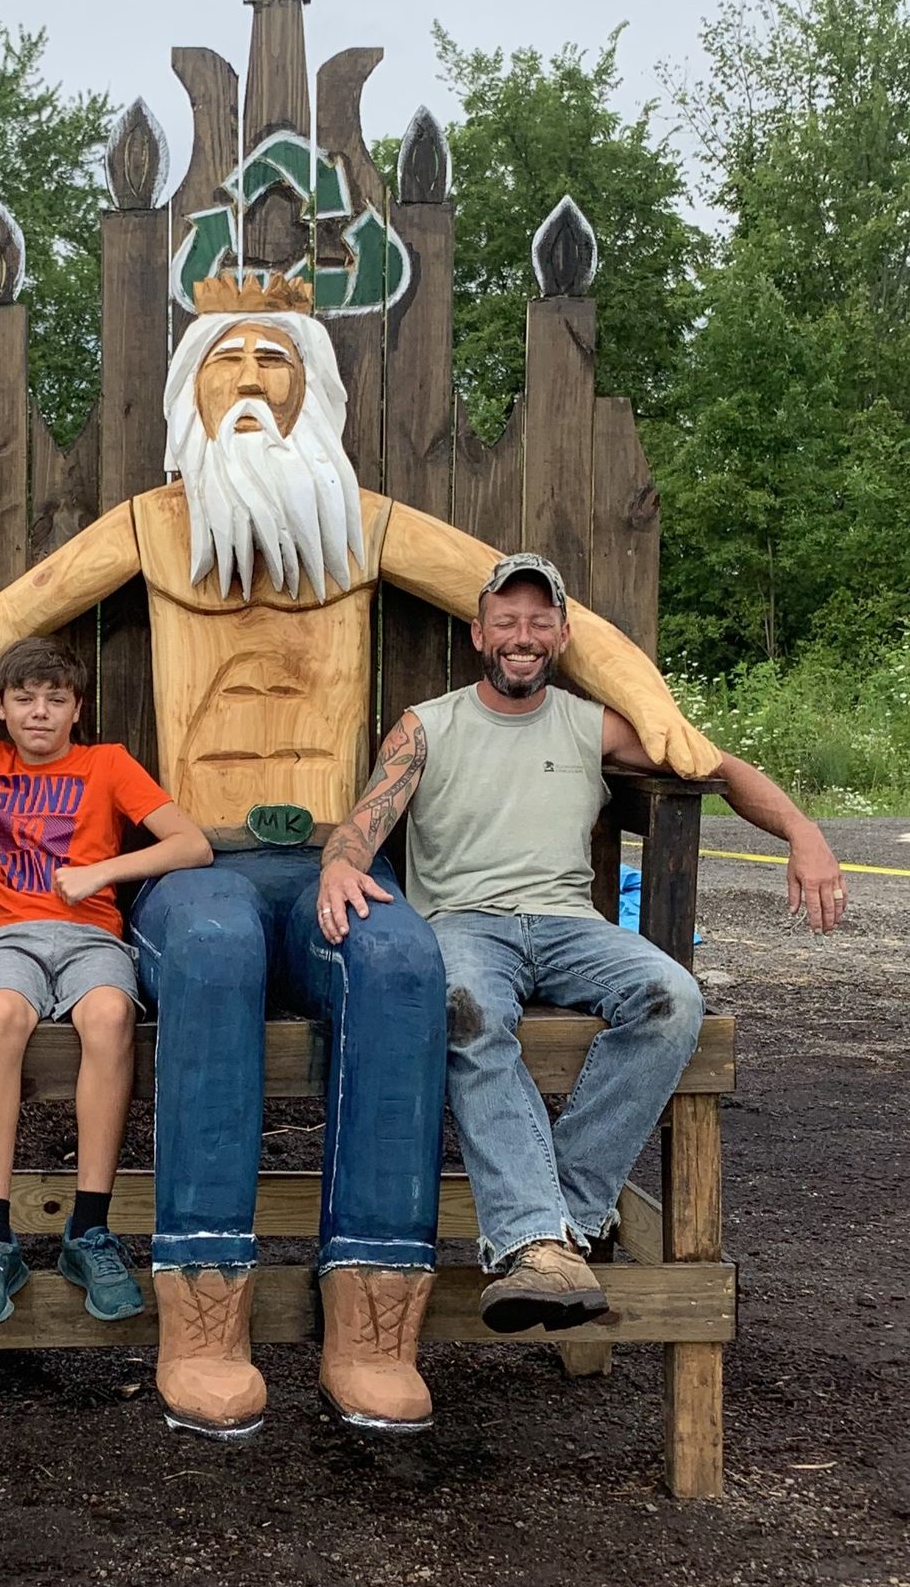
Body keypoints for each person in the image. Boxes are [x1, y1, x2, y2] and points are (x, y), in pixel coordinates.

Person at [0, 269, 718, 1442]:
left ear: (315, 389)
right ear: (192, 389)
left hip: (335, 857)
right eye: (232, 361)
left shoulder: (362, 525)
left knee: (407, 968)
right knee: (210, 951)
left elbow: (554, 619)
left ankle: (374, 1317)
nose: (256, 384)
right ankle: (202, 1313)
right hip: (196, 863)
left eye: (279, 363)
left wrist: (656, 707)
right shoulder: (155, 526)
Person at [317, 553, 847, 1329]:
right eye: (507, 621)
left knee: (673, 997)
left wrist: (804, 832)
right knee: (463, 1008)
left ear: (561, 635)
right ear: (479, 634)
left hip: (570, 926)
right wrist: (338, 868)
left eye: (539, 622)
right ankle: (552, 1232)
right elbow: (364, 823)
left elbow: (721, 768)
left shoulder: (592, 725)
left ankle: (551, 1225)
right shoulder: (427, 725)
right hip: (465, 926)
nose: (522, 636)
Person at [0, 637, 212, 1331]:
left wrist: (103, 874)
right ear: (1, 710)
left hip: (92, 936)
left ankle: (88, 1231)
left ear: (76, 711)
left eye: (55, 699)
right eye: (23, 699)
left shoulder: (107, 764)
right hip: (8, 940)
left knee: (108, 1016)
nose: (39, 712)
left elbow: (192, 844)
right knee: (1, 1014)